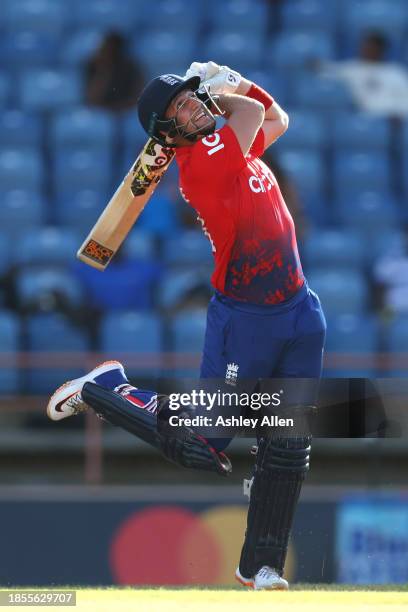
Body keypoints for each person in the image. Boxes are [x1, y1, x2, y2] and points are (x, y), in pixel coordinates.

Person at [48, 62, 326, 590]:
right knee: (203, 442)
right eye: (181, 105)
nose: (193, 104)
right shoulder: (203, 164)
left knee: (288, 442)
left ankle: (259, 565)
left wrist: (220, 83)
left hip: (298, 309)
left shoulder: (232, 147)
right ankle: (107, 388)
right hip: (244, 320)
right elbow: (251, 110)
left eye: (191, 98)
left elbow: (278, 120)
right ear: (168, 133)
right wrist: (225, 80)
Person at [319, 31, 408, 118]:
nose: (366, 49)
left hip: (389, 119)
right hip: (360, 118)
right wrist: (315, 65)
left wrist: (399, 114)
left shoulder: (396, 72)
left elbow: (405, 99)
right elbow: (328, 70)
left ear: (381, 49)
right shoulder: (352, 69)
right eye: (365, 46)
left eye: (372, 47)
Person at [85, 32, 145, 112]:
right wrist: (103, 71)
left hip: (124, 112)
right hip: (101, 112)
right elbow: (91, 99)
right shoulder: (93, 66)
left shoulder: (131, 68)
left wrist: (117, 109)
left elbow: (137, 97)